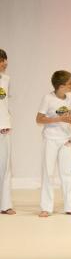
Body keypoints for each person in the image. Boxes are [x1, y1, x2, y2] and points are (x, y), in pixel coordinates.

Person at [36, 70, 71, 217]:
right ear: (60, 86)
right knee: (48, 173)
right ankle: (46, 208)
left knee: (67, 173)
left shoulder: (70, 98)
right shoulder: (48, 99)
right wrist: (58, 119)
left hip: (65, 140)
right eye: (69, 83)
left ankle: (69, 207)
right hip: (51, 139)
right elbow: (39, 119)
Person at [0, 49, 15, 215]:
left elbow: (4, 104)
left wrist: (6, 121)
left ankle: (5, 205)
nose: (5, 63)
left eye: (5, 59)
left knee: (5, 168)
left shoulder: (6, 79)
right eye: (1, 60)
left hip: (4, 128)